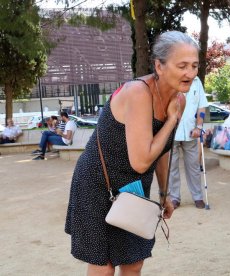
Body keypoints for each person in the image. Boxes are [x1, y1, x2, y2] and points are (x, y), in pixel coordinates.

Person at [64, 31, 199, 275]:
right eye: (182, 66)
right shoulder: (138, 93)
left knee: (133, 263)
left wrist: (164, 191)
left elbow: (162, 148)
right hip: (97, 182)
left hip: (133, 187)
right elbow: (141, 161)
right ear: (159, 65)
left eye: (194, 65)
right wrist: (171, 120)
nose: (189, 73)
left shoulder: (179, 99)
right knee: (103, 268)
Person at [169, 76, 209, 209]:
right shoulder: (170, 77)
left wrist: (199, 126)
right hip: (171, 131)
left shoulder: (197, 82)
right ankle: (174, 198)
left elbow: (201, 106)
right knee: (171, 167)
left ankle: (197, 197)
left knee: (193, 166)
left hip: (191, 131)